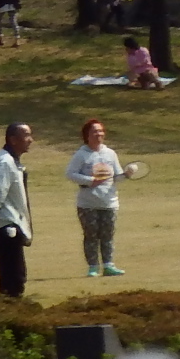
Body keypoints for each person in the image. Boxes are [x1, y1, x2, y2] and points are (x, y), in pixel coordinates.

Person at [0, 122, 33, 297]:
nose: (30, 140)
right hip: (7, 229)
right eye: (26, 135)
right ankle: (10, 315)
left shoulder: (11, 161)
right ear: (13, 140)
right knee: (14, 280)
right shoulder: (4, 162)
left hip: (10, 226)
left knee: (13, 278)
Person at [65, 118, 124, 277]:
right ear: (87, 135)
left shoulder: (110, 153)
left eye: (101, 131)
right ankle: (93, 267)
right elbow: (70, 174)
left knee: (107, 235)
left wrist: (127, 174)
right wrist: (91, 181)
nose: (99, 134)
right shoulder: (82, 154)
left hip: (109, 202)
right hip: (87, 204)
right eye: (95, 131)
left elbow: (117, 176)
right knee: (91, 236)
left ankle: (108, 265)